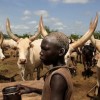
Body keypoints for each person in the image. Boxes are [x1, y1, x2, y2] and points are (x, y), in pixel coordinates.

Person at [16, 32, 74, 100]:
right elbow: (53, 92)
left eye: (45, 49)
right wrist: (32, 89)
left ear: (61, 52)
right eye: (41, 49)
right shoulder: (63, 69)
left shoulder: (58, 77)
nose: (40, 52)